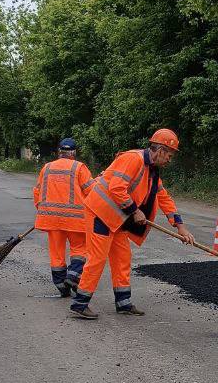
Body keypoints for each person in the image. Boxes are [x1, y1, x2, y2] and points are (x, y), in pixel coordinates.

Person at [70, 128, 195, 320]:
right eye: (169, 154)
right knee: (97, 258)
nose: (170, 159)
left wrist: (180, 225)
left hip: (118, 220)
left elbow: (164, 198)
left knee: (122, 259)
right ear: (159, 150)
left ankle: (123, 303)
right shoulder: (133, 159)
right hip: (100, 214)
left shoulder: (152, 171)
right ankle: (80, 304)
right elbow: (116, 188)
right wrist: (135, 211)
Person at [32, 137, 93, 296]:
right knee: (80, 248)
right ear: (73, 153)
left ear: (59, 152)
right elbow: (91, 191)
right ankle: (73, 275)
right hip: (76, 220)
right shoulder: (79, 167)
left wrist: (42, 209)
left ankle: (61, 285)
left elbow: (37, 191)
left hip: (51, 220)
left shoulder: (47, 168)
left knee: (56, 253)